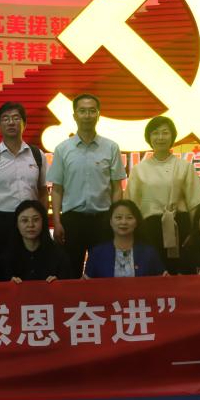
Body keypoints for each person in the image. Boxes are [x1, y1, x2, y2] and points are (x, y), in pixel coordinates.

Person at [46, 93, 126, 275]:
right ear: (74, 116)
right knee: (70, 273)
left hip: (103, 220)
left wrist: (115, 219)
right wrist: (57, 222)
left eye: (92, 111)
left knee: (104, 272)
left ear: (98, 115)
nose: (87, 115)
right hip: (72, 221)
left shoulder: (111, 147)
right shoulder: (63, 149)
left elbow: (116, 189)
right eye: (82, 111)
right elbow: (57, 190)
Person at [126, 115, 200, 273]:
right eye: (155, 133)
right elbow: (131, 205)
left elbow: (195, 202)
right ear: (149, 138)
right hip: (149, 229)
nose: (160, 137)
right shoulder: (139, 169)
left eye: (165, 132)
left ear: (172, 136)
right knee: (152, 272)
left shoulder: (184, 166)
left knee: (180, 271)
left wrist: (195, 232)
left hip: (180, 226)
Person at [0, 102, 47, 256]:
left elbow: (43, 193)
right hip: (1, 221)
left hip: (31, 220)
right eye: (5, 118)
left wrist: (44, 226)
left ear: (24, 124)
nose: (11, 122)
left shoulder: (37, 155)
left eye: (16, 118)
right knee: (3, 266)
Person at [84, 200, 165, 278]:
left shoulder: (149, 253)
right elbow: (88, 283)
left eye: (129, 218)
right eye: (118, 217)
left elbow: (160, 281)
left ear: (136, 222)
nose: (123, 222)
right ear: (111, 222)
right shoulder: (97, 254)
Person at [0, 200, 73, 283]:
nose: (31, 225)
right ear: (16, 224)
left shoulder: (59, 255)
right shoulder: (6, 257)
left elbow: (68, 285)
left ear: (43, 222)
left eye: (36, 219)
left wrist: (59, 284)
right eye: (25, 220)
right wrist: (9, 285)